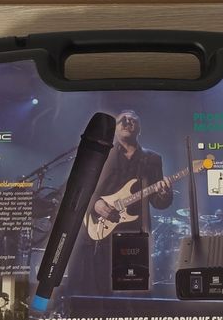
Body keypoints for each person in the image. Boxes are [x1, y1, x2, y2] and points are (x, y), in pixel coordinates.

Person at [67, 110, 173, 300]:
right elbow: (80, 189)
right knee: (99, 291)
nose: (126, 122)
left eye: (132, 120)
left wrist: (164, 195)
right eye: (121, 120)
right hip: (101, 233)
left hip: (135, 234)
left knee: (133, 291)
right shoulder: (101, 155)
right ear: (115, 129)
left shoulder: (153, 159)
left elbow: (158, 202)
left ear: (139, 128)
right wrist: (95, 204)